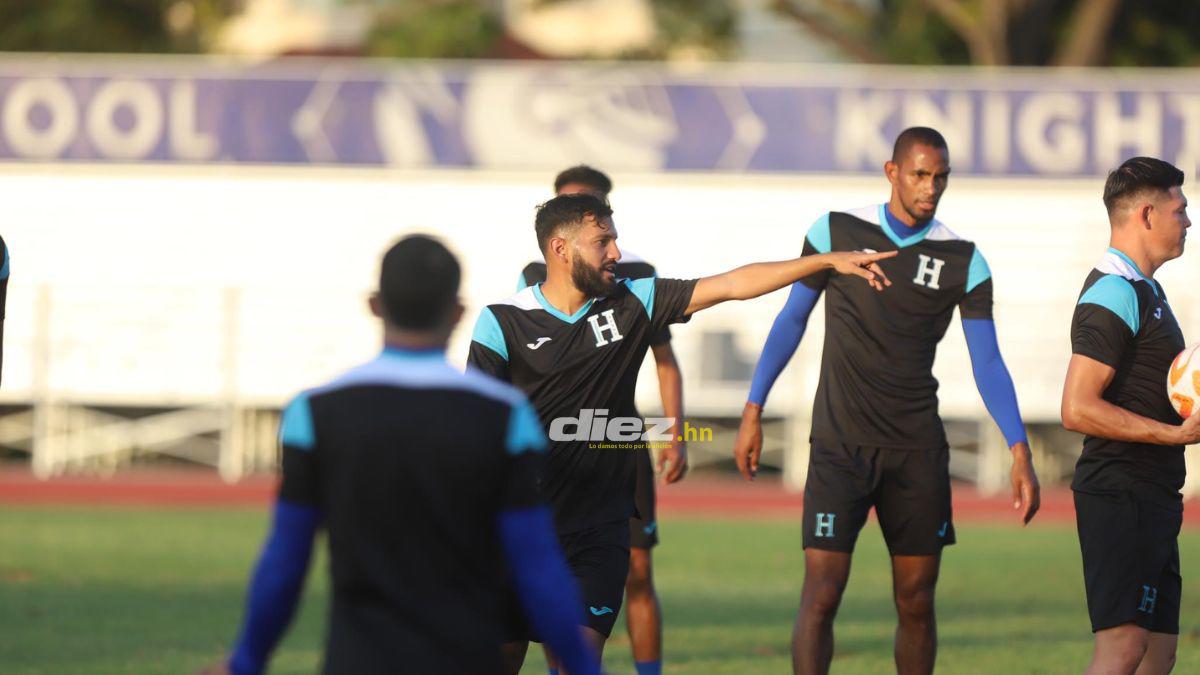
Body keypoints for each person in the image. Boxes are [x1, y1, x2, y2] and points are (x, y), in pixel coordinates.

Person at [468, 192, 895, 673]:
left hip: (598, 532)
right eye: (602, 241)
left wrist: (825, 261)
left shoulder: (634, 301)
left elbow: (732, 284)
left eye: (615, 239)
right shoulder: (500, 322)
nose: (615, 252)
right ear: (560, 249)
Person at [202, 236, 599, 675]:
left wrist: (246, 661)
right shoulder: (505, 417)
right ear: (457, 312)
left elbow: (286, 561)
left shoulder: (314, 412)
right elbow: (537, 566)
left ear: (375, 305)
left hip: (359, 661)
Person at [732, 127, 1040, 675]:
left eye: (940, 177)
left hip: (916, 451)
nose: (930, 187)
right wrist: (753, 409)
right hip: (839, 445)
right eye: (920, 174)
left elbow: (988, 362)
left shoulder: (964, 260)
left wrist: (1019, 447)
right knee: (822, 593)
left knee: (916, 601)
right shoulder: (836, 231)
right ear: (892, 172)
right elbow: (791, 320)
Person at [516, 165, 682, 675]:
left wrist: (674, 431)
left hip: (618, 440)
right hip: (554, 454)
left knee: (637, 569)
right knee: (555, 576)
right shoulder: (530, 282)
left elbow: (665, 360)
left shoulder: (634, 279)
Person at [1061, 156, 1200, 675]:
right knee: (1123, 648)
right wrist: (1173, 434)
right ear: (1147, 214)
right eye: (1180, 210)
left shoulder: (1148, 290)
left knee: (1159, 655)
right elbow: (1077, 407)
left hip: (1154, 493)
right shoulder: (1113, 290)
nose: (1188, 221)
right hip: (1121, 491)